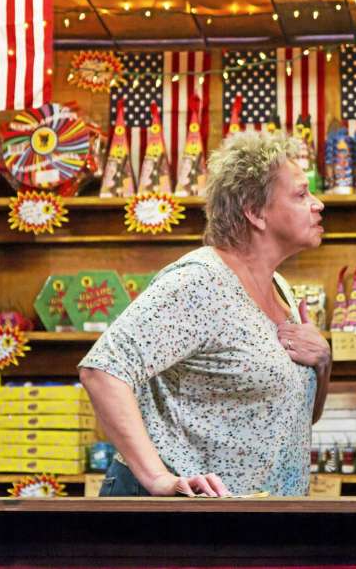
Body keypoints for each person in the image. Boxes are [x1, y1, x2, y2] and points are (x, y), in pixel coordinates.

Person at [78, 131, 331, 498]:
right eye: (301, 194)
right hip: (182, 517)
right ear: (255, 211)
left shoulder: (281, 289)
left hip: (251, 517)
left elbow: (293, 416)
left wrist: (323, 363)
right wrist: (158, 479)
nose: (318, 204)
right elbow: (102, 370)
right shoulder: (200, 283)